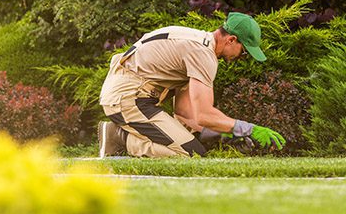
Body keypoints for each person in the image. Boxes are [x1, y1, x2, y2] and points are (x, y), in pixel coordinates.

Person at [97, 12, 286, 158]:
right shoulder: (203, 55)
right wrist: (248, 129)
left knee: (195, 147)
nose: (241, 58)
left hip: (133, 95)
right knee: (190, 154)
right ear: (231, 40)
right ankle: (119, 138)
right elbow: (204, 115)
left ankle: (121, 136)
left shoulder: (197, 44)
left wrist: (223, 134)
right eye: (243, 52)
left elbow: (184, 111)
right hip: (129, 98)